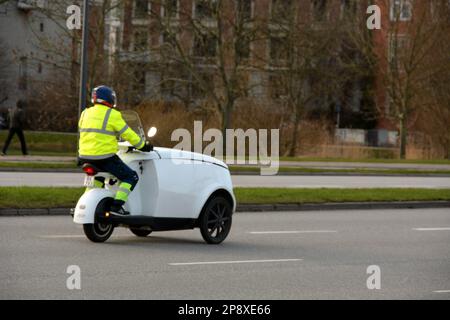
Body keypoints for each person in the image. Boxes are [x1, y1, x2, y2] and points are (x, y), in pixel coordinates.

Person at [78, 85, 152, 216]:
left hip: (84, 157)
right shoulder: (112, 114)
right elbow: (128, 134)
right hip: (104, 157)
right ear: (109, 99)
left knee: (97, 179)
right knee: (131, 176)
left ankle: (83, 204)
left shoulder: (85, 113)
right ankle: (116, 206)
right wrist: (143, 145)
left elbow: (93, 133)